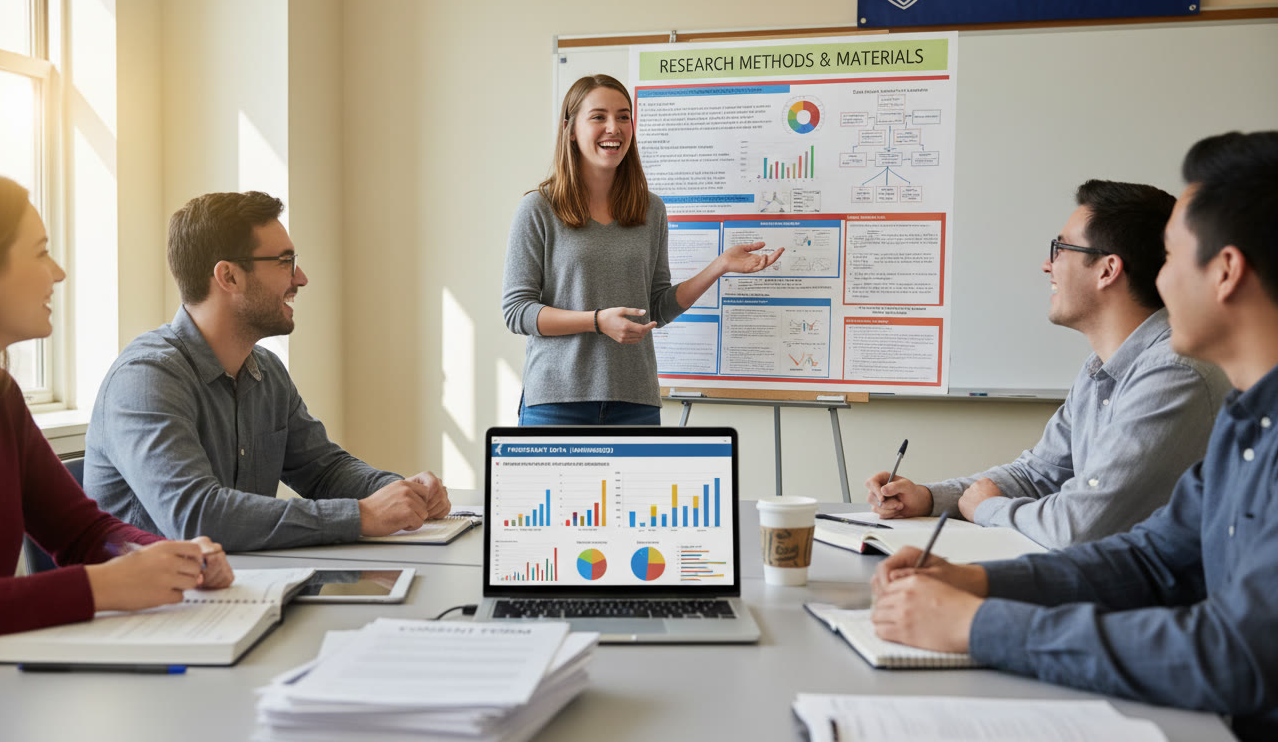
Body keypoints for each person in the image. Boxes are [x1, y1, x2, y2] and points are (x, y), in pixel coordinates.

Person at [869, 131, 1278, 740]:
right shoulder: (1248, 423)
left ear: (1225, 273)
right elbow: (1151, 559)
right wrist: (975, 581)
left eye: (1170, 258)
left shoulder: (1206, 392)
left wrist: (978, 625)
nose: (1160, 282)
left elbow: (1234, 655)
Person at [0, 169, 233, 657]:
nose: (58, 273)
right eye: (39, 253)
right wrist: (98, 588)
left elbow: (84, 532)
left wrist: (162, 555)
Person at [866, 180, 1229, 548]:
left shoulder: (1173, 373)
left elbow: (1080, 525)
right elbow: (1038, 474)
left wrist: (989, 508)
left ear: (1107, 270)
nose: (1046, 265)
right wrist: (928, 497)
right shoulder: (1100, 369)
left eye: (1060, 249)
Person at [84, 191, 449, 553]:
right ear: (229, 276)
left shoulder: (266, 371)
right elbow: (197, 517)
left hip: (243, 582)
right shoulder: (146, 379)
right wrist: (361, 515)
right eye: (285, 261)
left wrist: (401, 493)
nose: (301, 278)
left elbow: (323, 471)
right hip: (163, 592)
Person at [502, 74, 784, 425]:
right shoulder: (538, 209)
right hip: (557, 403)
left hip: (634, 403)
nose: (614, 128)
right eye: (599, 116)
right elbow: (517, 311)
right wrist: (596, 322)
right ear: (570, 129)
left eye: (623, 117)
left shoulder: (651, 210)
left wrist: (720, 266)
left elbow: (657, 309)